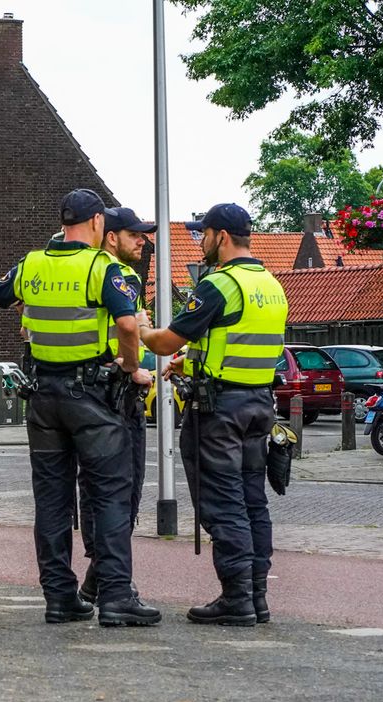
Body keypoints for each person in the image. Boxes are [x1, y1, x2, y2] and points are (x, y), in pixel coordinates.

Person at [0, 188, 160, 627]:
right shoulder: (104, 268)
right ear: (99, 222)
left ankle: (60, 597)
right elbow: (125, 324)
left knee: (52, 500)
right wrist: (132, 366)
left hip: (43, 399)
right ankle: (116, 598)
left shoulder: (31, 264)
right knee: (111, 496)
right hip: (94, 398)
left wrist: (32, 304)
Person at [139, 202, 288, 626]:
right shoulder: (270, 284)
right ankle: (257, 598)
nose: (200, 241)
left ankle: (236, 599)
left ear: (221, 236)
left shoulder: (218, 285)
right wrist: (194, 360)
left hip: (220, 411)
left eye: (203, 234)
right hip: (259, 405)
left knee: (225, 506)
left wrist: (141, 326)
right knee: (252, 501)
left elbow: (166, 341)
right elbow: (239, 340)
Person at [76, 206, 156, 604]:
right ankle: (109, 577)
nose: (142, 241)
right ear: (111, 236)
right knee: (122, 487)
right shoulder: (116, 274)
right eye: (134, 234)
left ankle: (97, 576)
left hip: (84, 389)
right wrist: (132, 365)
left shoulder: (80, 270)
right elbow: (127, 328)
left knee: (95, 486)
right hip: (116, 392)